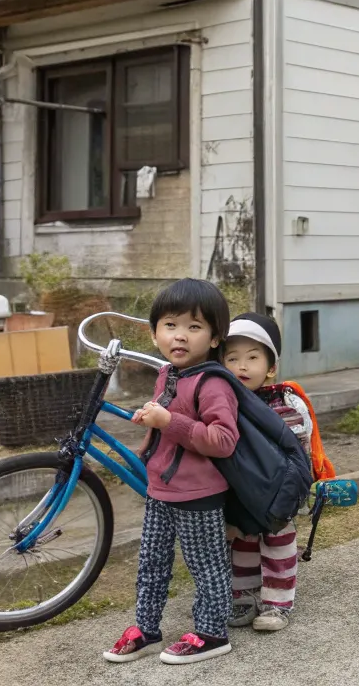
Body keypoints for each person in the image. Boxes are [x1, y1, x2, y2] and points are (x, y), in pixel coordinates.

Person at [104, 278, 238, 666]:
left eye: (194, 327)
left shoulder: (213, 383)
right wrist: (151, 423)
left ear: (215, 338)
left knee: (207, 566)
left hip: (199, 494)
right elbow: (169, 418)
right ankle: (147, 629)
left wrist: (168, 422)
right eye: (170, 325)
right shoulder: (168, 373)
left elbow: (223, 440)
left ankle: (213, 633)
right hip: (160, 489)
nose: (180, 335)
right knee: (151, 563)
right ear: (154, 332)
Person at [220, 312, 328, 633]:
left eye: (253, 358)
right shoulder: (222, 402)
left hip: (278, 493)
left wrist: (291, 497)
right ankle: (245, 596)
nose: (241, 366)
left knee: (278, 545)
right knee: (242, 544)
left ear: (270, 367)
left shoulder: (284, 403)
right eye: (232, 358)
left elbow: (298, 452)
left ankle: (277, 604)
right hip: (242, 494)